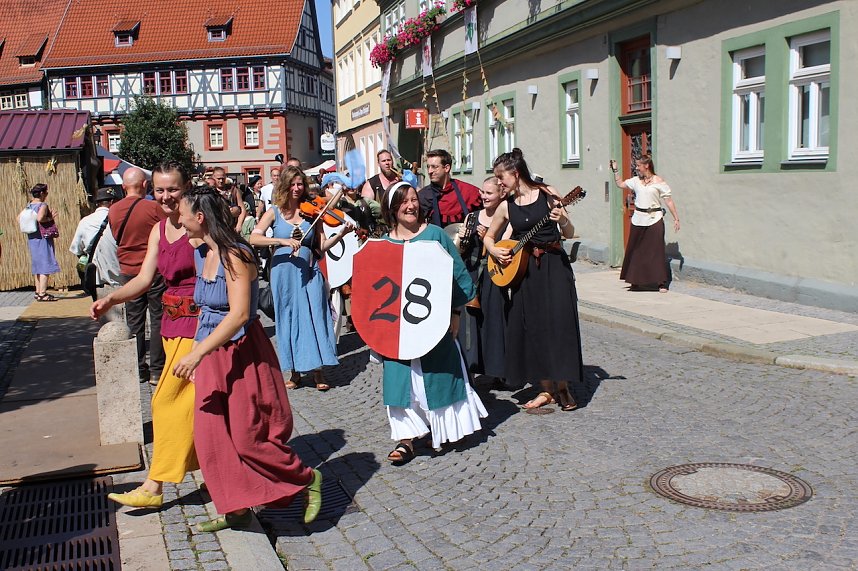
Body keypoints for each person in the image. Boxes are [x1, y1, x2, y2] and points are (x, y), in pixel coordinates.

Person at [173, 186, 322, 532]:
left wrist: (197, 354)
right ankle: (236, 507)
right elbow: (205, 312)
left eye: (183, 212)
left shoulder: (236, 254)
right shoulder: (203, 253)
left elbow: (239, 314)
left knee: (247, 437)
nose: (178, 218)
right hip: (210, 352)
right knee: (211, 437)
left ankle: (307, 478)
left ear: (200, 218)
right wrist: (198, 354)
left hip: (241, 352)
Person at [93, 162, 199, 509]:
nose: (166, 197)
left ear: (186, 187)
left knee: (166, 403)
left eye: (173, 189)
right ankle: (220, 473)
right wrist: (112, 298)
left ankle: (153, 486)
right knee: (197, 407)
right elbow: (142, 278)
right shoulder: (158, 229)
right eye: (160, 190)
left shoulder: (199, 224)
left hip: (198, 328)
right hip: (171, 327)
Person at [379, 174, 488, 465]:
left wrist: (455, 313)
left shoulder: (435, 235)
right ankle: (405, 440)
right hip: (397, 329)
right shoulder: (383, 244)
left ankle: (442, 430)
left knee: (437, 376)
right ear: (392, 208)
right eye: (404, 201)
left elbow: (456, 276)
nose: (411, 206)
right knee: (399, 380)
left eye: (414, 199)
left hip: (433, 324)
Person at [483, 148, 583, 411]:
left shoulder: (548, 194)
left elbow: (570, 232)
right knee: (533, 327)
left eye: (501, 177)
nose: (498, 183)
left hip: (554, 266)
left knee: (559, 324)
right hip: (524, 270)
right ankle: (546, 389)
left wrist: (563, 220)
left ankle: (563, 386)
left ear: (516, 173)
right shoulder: (506, 206)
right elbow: (489, 237)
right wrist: (495, 251)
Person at [249, 166, 353, 391]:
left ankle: (318, 370)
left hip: (309, 270)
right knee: (288, 318)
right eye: (293, 184)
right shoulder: (274, 212)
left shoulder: (312, 212)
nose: (297, 188)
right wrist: (281, 241)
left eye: (300, 184)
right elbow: (254, 238)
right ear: (285, 186)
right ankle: (294, 372)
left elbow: (321, 247)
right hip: (283, 274)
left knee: (315, 315)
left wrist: (341, 234)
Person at [109, 167, 167, 385]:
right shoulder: (153, 207)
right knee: (158, 318)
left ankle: (139, 368)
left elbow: (116, 235)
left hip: (128, 270)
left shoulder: (113, 210)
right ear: (145, 185)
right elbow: (166, 232)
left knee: (134, 320)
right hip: (155, 270)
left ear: (124, 187)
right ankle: (157, 370)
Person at [457, 176, 512, 383]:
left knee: (494, 321)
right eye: (482, 192)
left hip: (494, 274)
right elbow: (460, 251)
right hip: (471, 274)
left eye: (489, 193)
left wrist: (487, 240)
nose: (484, 196)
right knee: (469, 326)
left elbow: (506, 248)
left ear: (501, 195)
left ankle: (498, 371)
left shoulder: (506, 218)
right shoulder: (472, 217)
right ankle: (469, 370)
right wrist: (462, 238)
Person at [610, 155, 680, 293]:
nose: (636, 168)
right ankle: (635, 281)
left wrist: (676, 218)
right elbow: (620, 184)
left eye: (638, 165)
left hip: (655, 218)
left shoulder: (658, 181)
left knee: (656, 250)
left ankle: (661, 282)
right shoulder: (636, 181)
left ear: (646, 166)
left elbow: (668, 200)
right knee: (636, 250)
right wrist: (615, 170)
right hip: (638, 219)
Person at [69, 187, 121, 290]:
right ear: (112, 202)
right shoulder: (120, 219)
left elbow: (77, 249)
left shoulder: (85, 221)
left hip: (95, 278)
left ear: (97, 203)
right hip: (119, 276)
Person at [418, 149, 482, 227]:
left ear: (446, 168)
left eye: (434, 167)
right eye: (428, 167)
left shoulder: (466, 190)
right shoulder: (423, 196)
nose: (430, 171)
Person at [25, 183, 61, 301]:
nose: (46, 195)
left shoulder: (29, 205)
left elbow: (18, 218)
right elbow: (40, 218)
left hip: (32, 238)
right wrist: (50, 218)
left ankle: (38, 291)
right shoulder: (43, 205)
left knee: (37, 266)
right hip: (42, 238)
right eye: (46, 192)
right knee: (45, 264)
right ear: (41, 193)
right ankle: (43, 293)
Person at [211, 167, 246, 233]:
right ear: (213, 178)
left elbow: (242, 209)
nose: (221, 181)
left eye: (223, 178)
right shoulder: (210, 191)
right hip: (216, 228)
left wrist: (239, 225)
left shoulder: (233, 190)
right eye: (218, 179)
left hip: (232, 227)